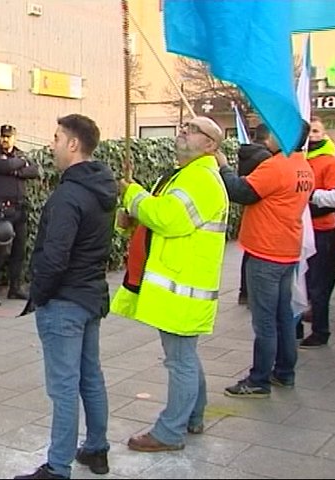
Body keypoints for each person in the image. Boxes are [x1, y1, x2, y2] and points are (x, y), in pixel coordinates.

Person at [112, 117, 228, 452]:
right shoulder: (187, 175)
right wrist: (132, 214)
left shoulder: (202, 179)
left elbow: (167, 217)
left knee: (180, 360)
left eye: (193, 129)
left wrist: (132, 193)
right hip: (180, 285)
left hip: (183, 287)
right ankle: (192, 416)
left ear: (210, 145)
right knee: (185, 356)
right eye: (184, 126)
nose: (183, 131)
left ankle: (170, 431)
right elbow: (158, 217)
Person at [15, 114, 116, 480]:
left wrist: (40, 295)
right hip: (91, 296)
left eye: (57, 137)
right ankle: (97, 449)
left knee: (64, 387)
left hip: (66, 302)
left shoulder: (69, 195)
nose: (52, 144)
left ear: (73, 144)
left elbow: (54, 256)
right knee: (90, 376)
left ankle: (58, 467)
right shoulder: (102, 187)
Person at [218, 121, 314, 397]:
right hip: (287, 250)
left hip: (266, 251)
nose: (267, 135)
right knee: (284, 315)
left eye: (272, 129)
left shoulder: (276, 166)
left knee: (265, 321)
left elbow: (241, 192)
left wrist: (224, 166)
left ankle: (258, 379)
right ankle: (285, 372)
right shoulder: (302, 166)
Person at [299, 117, 335, 348]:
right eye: (309, 132)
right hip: (300, 229)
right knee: (303, 282)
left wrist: (307, 204)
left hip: (322, 230)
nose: (313, 136)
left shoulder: (331, 163)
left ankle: (320, 330)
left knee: (318, 285)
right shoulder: (299, 159)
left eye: (317, 131)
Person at [0, 124, 39, 306]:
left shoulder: (20, 154)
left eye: (9, 136)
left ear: (14, 138)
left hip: (19, 209)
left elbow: (34, 171)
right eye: (3, 136)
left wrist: (14, 169)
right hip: (1, 211)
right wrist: (18, 167)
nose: (5, 139)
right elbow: (6, 165)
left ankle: (15, 288)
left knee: (19, 252)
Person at [235, 134, 273, 305]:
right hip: (263, 213)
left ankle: (244, 292)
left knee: (249, 254)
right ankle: (251, 296)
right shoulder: (267, 159)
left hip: (251, 213)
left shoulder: (245, 153)